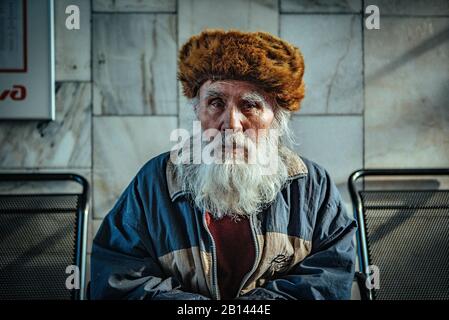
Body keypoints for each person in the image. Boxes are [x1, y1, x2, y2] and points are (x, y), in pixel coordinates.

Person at [90, 29, 357, 300]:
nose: (231, 124)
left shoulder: (311, 186)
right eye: (216, 102)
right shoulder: (154, 182)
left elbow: (329, 278)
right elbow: (117, 279)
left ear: (276, 117)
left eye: (250, 105)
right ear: (197, 110)